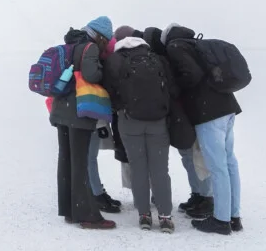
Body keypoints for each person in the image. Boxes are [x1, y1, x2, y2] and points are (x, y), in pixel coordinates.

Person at [163, 24, 242, 236]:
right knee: (229, 161)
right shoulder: (199, 46)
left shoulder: (176, 47)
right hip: (227, 107)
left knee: (217, 166)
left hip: (209, 114)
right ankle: (233, 216)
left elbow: (193, 75)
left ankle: (221, 220)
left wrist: (174, 85)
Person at [103, 28, 176, 233]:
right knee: (160, 170)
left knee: (138, 167)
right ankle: (165, 216)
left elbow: (109, 90)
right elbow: (171, 88)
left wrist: (121, 108)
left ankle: (144, 215)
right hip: (158, 121)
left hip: (129, 120)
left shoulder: (114, 60)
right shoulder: (156, 58)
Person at [49, 16, 117, 230]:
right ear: (98, 35)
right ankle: (88, 215)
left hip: (61, 109)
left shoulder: (70, 44)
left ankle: (70, 210)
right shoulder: (90, 47)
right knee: (80, 163)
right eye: (105, 38)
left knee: (66, 160)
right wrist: (102, 71)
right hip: (79, 111)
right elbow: (91, 74)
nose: (105, 43)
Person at [143, 26, 213, 219]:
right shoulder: (176, 54)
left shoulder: (171, 56)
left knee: (194, 156)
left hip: (187, 112)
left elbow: (178, 85)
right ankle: (199, 194)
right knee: (190, 156)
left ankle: (206, 197)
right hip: (185, 112)